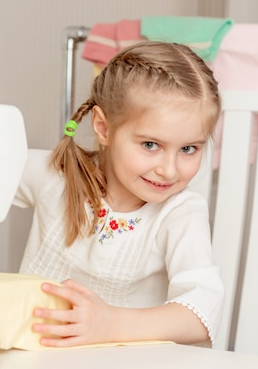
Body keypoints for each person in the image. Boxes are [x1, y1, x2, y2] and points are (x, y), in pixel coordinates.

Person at [13, 40, 224, 348]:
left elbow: (202, 313)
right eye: (151, 145)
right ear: (103, 127)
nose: (169, 169)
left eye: (188, 149)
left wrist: (110, 323)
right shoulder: (55, 177)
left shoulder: (180, 211)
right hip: (38, 367)